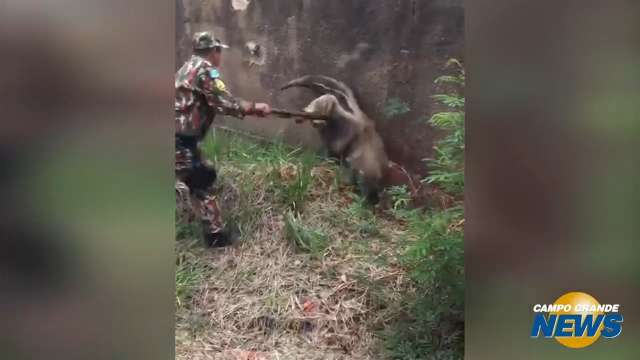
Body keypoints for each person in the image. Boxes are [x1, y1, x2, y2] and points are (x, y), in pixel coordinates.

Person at [175, 31, 271, 247]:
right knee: (201, 180)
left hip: (181, 138)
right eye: (219, 51)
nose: (220, 57)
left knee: (199, 176)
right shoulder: (205, 71)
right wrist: (255, 108)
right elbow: (223, 102)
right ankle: (215, 237)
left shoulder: (186, 68)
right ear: (214, 51)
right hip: (180, 139)